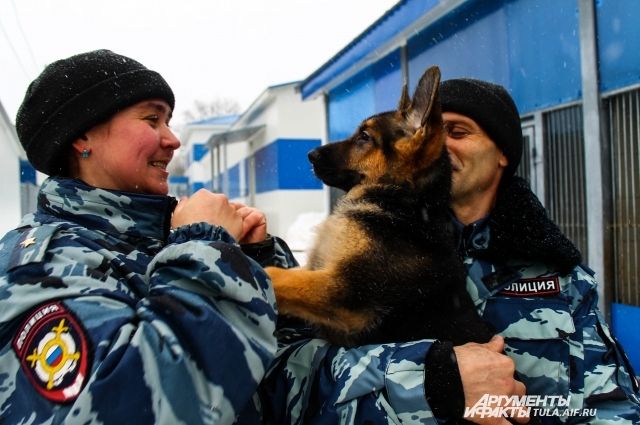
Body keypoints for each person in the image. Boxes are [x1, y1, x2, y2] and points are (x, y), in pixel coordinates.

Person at [248, 78, 640, 424]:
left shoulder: (557, 277)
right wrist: (432, 382)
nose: (435, 144)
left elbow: (605, 403)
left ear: (502, 153)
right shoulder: (381, 238)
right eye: (435, 130)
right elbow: (291, 373)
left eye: (457, 131)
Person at [0, 49, 298, 424]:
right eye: (152, 119)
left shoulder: (157, 240)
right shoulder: (39, 267)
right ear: (83, 136)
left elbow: (279, 376)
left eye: (169, 121)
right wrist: (207, 246)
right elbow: (134, 407)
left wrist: (259, 260)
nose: (173, 140)